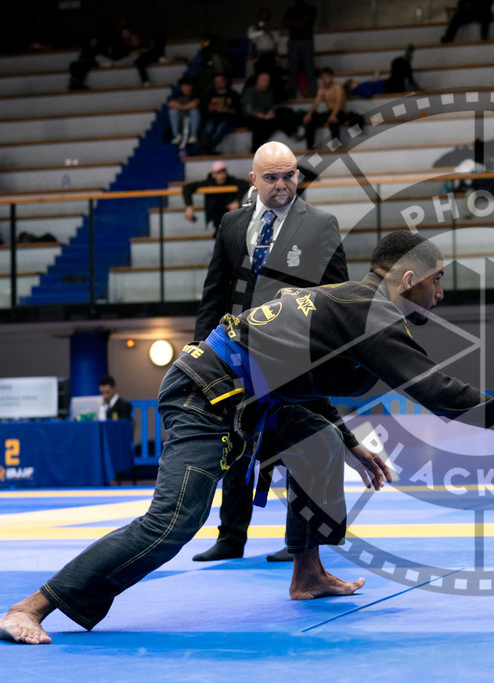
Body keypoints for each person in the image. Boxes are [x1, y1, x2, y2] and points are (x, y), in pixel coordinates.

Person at [0, 230, 494, 645]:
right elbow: (439, 392)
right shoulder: (373, 313)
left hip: (251, 400)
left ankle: (308, 573)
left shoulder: (351, 306)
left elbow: (300, 381)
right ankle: (31, 607)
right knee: (172, 522)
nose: (441, 293)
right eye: (436, 281)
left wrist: (349, 443)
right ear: (409, 278)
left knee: (322, 443)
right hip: (204, 394)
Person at [191, 141, 348, 563]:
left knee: (304, 444)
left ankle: (300, 542)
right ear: (253, 179)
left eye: (289, 175)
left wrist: (328, 354)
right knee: (236, 441)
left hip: (297, 356)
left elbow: (336, 296)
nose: (282, 184)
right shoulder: (231, 224)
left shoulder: (321, 224)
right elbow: (215, 291)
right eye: (272, 177)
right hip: (237, 354)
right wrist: (200, 347)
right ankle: (230, 538)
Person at [181, 160, 250, 237]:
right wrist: (189, 206)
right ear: (213, 174)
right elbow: (187, 188)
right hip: (217, 220)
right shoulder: (208, 183)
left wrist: (236, 201)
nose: (222, 175)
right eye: (219, 172)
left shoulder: (231, 181)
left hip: (232, 218)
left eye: (224, 172)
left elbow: (245, 184)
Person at [301, 67, 349, 148]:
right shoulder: (322, 89)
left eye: (327, 77)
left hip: (339, 112)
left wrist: (333, 114)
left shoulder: (337, 86)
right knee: (310, 120)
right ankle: (310, 149)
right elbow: (316, 103)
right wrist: (309, 114)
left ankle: (337, 147)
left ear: (331, 77)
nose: (325, 80)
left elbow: (339, 102)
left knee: (333, 122)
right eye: (323, 78)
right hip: (329, 113)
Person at [197, 74, 241, 155]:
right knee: (208, 129)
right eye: (216, 82)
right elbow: (202, 107)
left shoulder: (233, 94)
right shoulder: (209, 95)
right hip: (213, 118)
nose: (218, 84)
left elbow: (237, 110)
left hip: (227, 118)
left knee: (220, 129)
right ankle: (207, 149)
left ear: (225, 81)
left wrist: (224, 110)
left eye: (220, 81)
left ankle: (208, 149)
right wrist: (209, 108)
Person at [283, 0, 317, 99]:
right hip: (294, 41)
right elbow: (285, 23)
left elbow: (308, 19)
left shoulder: (311, 9)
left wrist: (294, 22)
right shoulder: (290, 10)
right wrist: (301, 22)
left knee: (309, 69)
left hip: (306, 41)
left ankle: (312, 95)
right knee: (293, 70)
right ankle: (292, 96)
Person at [242, 71, 279, 153]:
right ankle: (255, 148)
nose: (267, 83)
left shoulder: (269, 93)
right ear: (258, 81)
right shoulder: (250, 91)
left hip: (265, 117)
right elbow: (248, 109)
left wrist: (271, 112)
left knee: (275, 122)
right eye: (265, 81)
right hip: (252, 117)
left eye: (268, 81)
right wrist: (262, 116)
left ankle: (258, 147)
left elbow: (271, 107)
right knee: (258, 124)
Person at [167, 78, 201, 147]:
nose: (184, 89)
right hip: (180, 119)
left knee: (195, 111)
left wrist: (180, 107)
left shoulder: (195, 95)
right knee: (172, 112)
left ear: (190, 87)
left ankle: (193, 135)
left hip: (191, 119)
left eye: (186, 86)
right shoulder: (177, 95)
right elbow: (170, 104)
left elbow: (194, 104)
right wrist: (186, 107)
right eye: (183, 87)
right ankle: (177, 136)